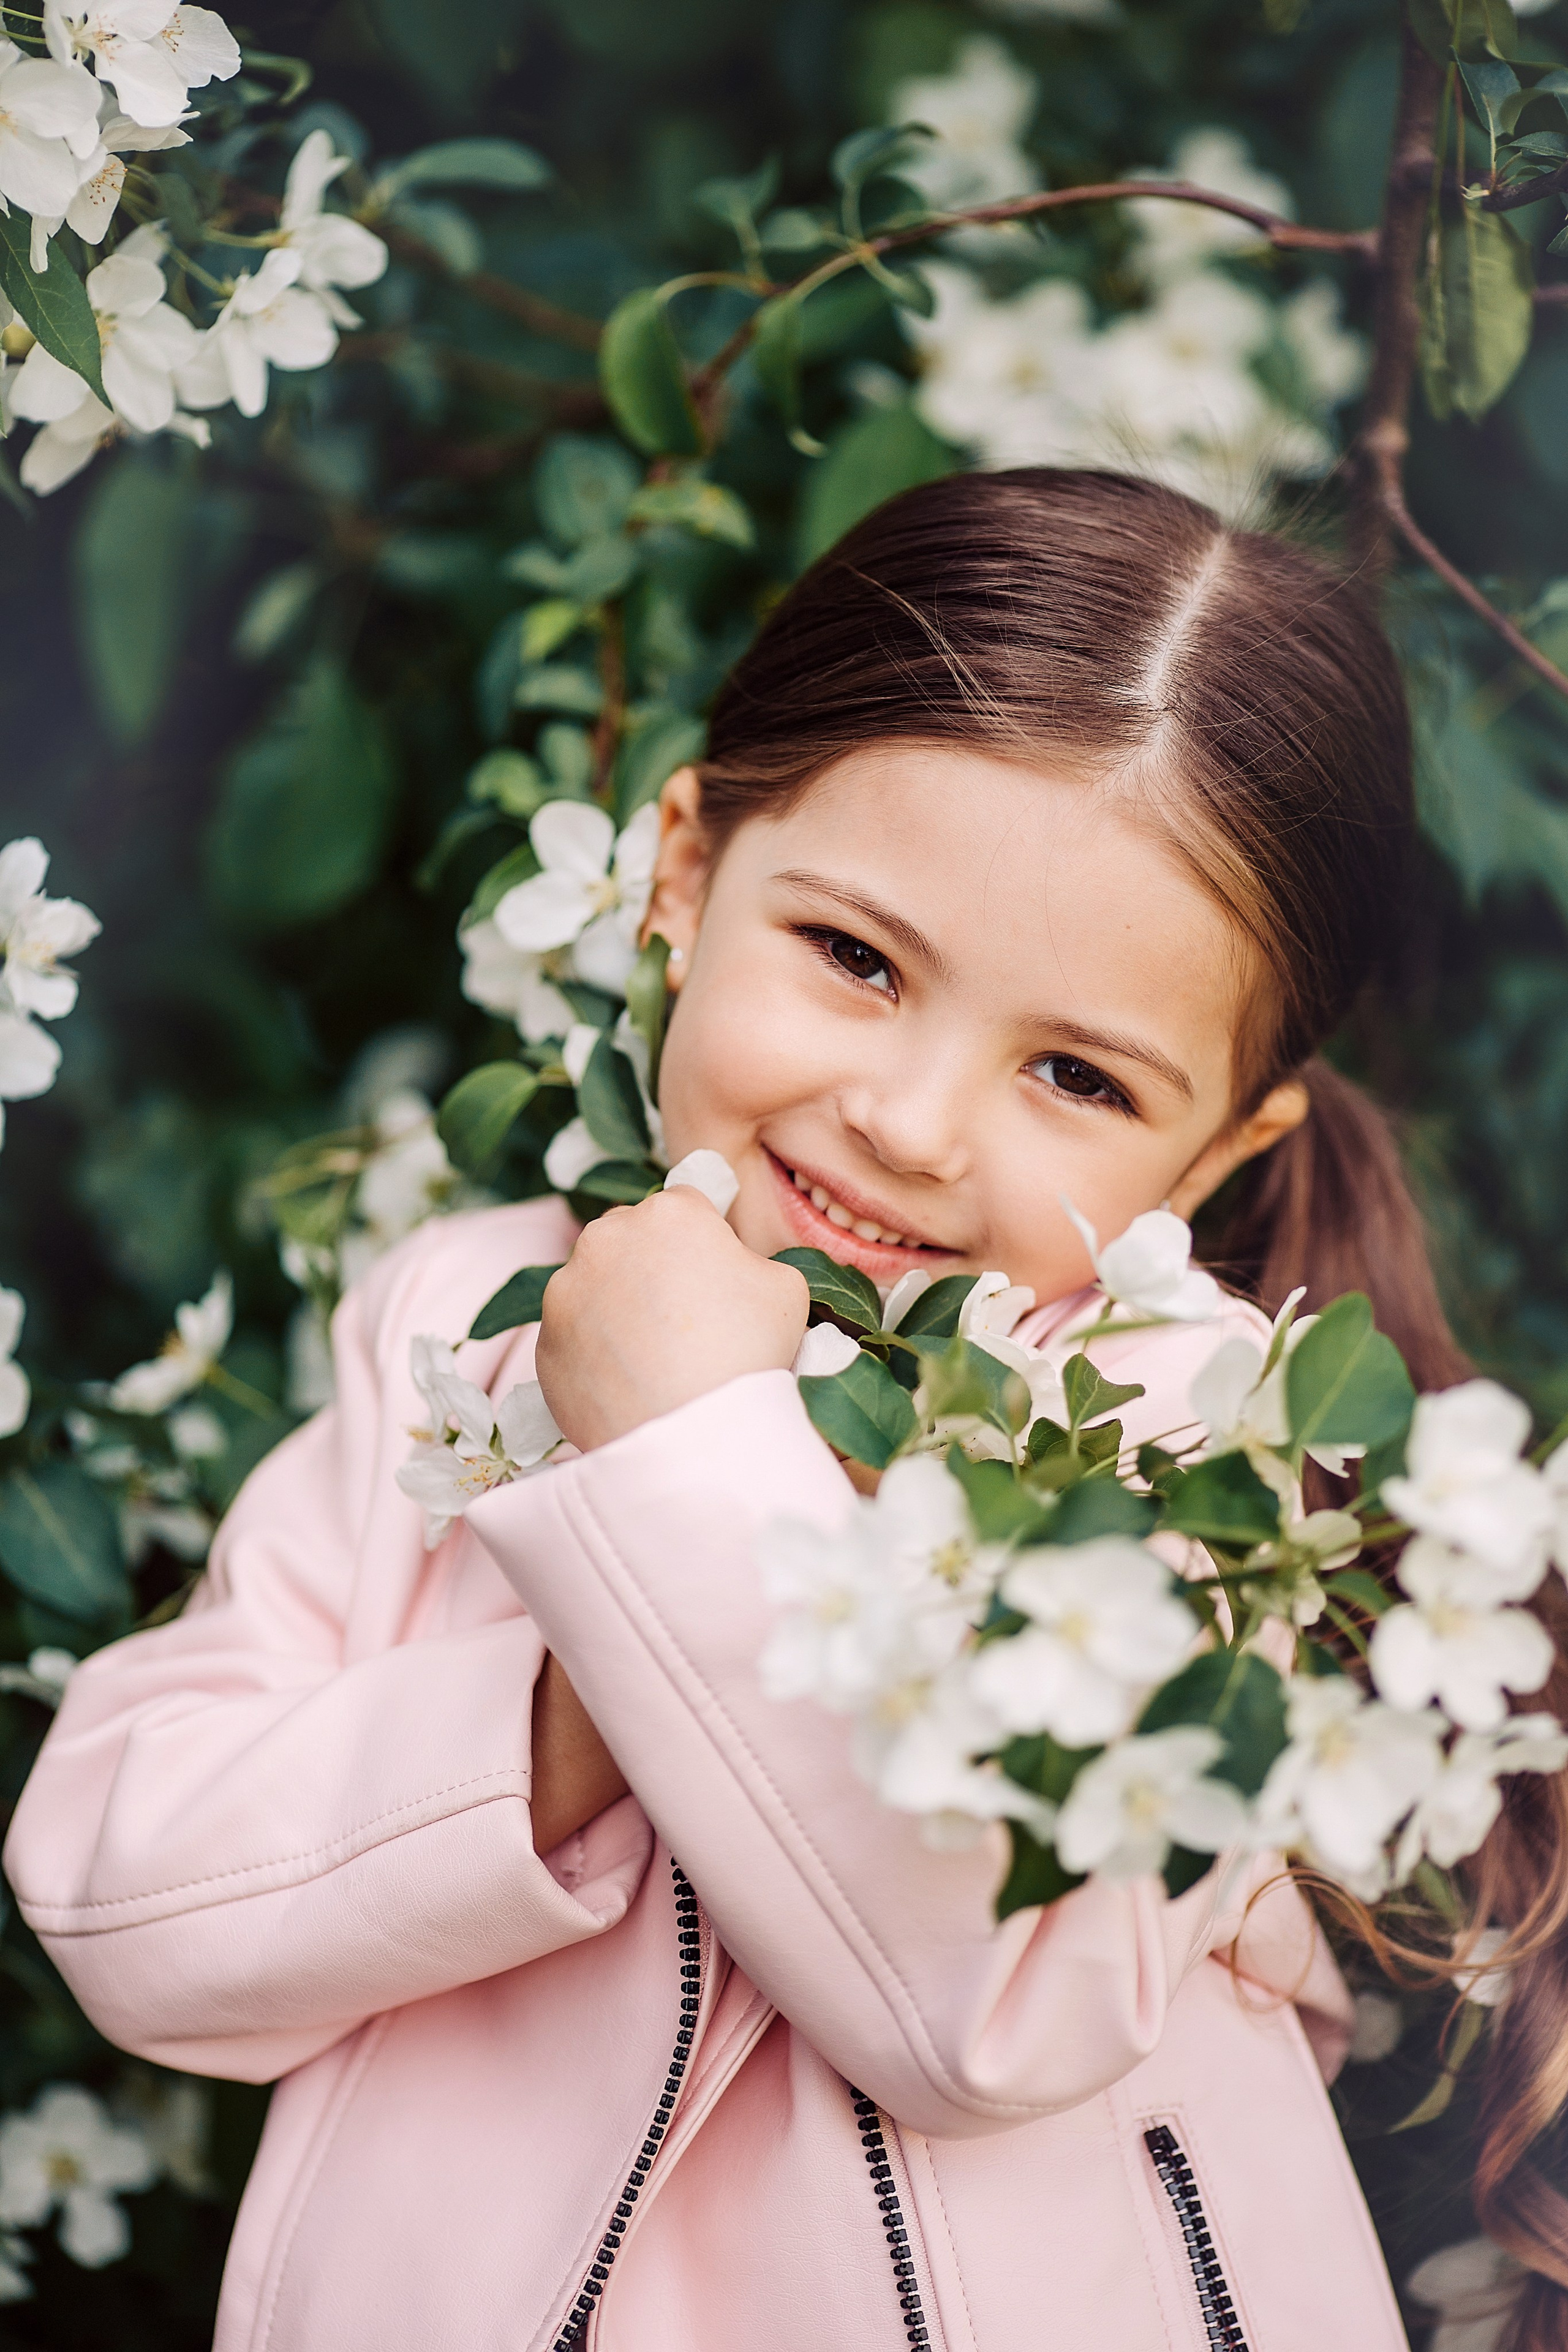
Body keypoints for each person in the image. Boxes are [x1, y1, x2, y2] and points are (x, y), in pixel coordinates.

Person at [8, 469, 1559, 2352]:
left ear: (1219, 1152)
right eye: (854, 958)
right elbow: (130, 1907)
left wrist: (678, 1481)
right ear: (682, 873)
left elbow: (986, 2007)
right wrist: (568, 1713)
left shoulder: (1177, 1441)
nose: (908, 1121)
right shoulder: (467, 1318)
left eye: (1073, 1072)